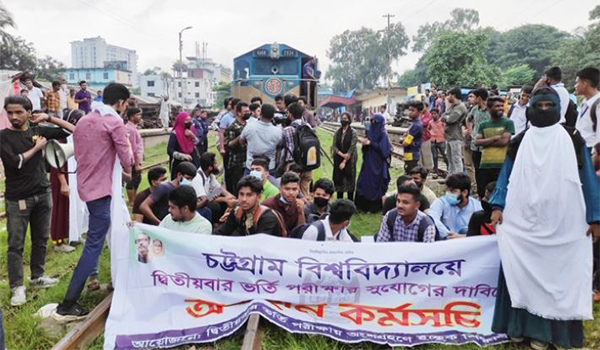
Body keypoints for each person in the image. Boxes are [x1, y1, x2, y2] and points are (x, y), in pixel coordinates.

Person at [489, 87, 600, 350]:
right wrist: (497, 205)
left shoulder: (573, 139)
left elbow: (588, 180)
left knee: (556, 274)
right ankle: (518, 328)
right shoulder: (519, 140)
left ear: (558, 108)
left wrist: (595, 217)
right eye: (538, 106)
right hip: (523, 220)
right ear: (530, 108)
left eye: (549, 106)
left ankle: (548, 333)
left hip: (563, 221)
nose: (543, 110)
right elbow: (506, 175)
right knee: (520, 269)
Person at [55, 83, 133, 317]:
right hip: (103, 193)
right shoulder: (114, 122)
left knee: (103, 240)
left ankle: (117, 279)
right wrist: (127, 144)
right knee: (94, 247)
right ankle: (68, 302)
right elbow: (127, 160)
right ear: (120, 103)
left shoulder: (86, 120)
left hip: (87, 189)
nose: (125, 108)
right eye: (126, 104)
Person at [1, 97, 76, 306]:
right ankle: (17, 287)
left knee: (41, 238)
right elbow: (15, 162)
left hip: (43, 193)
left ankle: (37, 276)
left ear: (29, 112)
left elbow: (73, 131)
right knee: (16, 245)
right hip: (18, 198)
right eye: (10, 113)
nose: (14, 117)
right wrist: (37, 148)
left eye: (18, 112)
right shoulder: (3, 137)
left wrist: (50, 118)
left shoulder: (38, 130)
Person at [215, 176, 284, 236]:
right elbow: (222, 232)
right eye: (241, 194)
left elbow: (262, 245)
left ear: (258, 196)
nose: (244, 199)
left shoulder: (267, 218)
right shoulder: (237, 211)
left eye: (249, 195)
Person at [474, 96, 515, 197]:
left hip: (501, 164)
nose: (501, 108)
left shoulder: (508, 123)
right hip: (485, 164)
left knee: (500, 193)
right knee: (484, 194)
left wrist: (485, 141)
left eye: (502, 106)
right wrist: (493, 138)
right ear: (489, 108)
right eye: (497, 106)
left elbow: (504, 141)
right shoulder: (483, 125)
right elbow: (476, 142)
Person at [429, 173, 482, 240]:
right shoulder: (441, 202)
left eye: (453, 191)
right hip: (445, 242)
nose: (448, 193)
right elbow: (432, 219)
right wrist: (448, 235)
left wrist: (463, 237)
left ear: (465, 192)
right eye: (447, 190)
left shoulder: (477, 207)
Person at [355, 114, 391, 213]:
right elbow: (365, 149)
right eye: (372, 122)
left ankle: (374, 207)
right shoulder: (370, 132)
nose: (373, 124)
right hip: (368, 163)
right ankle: (362, 206)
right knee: (364, 182)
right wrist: (364, 145)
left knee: (375, 184)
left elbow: (384, 152)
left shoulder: (383, 135)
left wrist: (371, 144)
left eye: (375, 122)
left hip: (378, 165)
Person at [191, 152, 236, 225]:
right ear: (210, 168)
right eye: (215, 164)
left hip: (207, 198)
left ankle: (223, 223)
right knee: (215, 206)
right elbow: (205, 200)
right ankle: (214, 225)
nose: (217, 166)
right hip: (198, 204)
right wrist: (225, 199)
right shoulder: (197, 178)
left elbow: (219, 189)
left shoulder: (210, 175)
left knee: (225, 200)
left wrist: (230, 197)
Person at [280, 102, 313, 197]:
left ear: (290, 114)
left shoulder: (288, 129)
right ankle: (305, 210)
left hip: (292, 165)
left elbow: (286, 147)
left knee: (292, 192)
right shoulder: (308, 126)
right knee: (305, 192)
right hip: (308, 164)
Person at [240, 103, 283, 173]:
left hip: (251, 167)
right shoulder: (278, 132)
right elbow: (279, 148)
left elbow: (241, 141)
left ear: (261, 114)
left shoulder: (249, 127)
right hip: (269, 168)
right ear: (273, 116)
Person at [224, 102, 249, 195]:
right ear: (238, 113)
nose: (248, 113)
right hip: (236, 163)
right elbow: (230, 144)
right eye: (245, 111)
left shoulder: (248, 125)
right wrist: (240, 137)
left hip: (246, 161)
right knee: (237, 188)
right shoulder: (232, 127)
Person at [332, 112, 357, 201]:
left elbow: (352, 148)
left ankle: (350, 202)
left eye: (345, 118)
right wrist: (342, 155)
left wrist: (344, 161)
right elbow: (334, 146)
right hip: (338, 159)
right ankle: (339, 202)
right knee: (339, 181)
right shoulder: (337, 132)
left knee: (349, 181)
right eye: (342, 118)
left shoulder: (353, 133)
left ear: (349, 120)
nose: (343, 120)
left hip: (350, 161)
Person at [167, 112, 200, 179]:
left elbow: (197, 143)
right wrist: (182, 156)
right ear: (181, 121)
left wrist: (192, 135)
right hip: (179, 163)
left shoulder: (192, 130)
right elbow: (170, 150)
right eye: (186, 120)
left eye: (190, 120)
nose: (189, 122)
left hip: (192, 160)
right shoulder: (175, 133)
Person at [443, 87, 468, 175]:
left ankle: (458, 178)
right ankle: (450, 177)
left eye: (449, 95)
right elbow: (443, 117)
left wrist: (447, 117)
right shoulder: (452, 107)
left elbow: (450, 119)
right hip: (449, 136)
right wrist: (447, 117)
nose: (447, 97)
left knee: (456, 159)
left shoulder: (460, 107)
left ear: (453, 95)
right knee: (450, 160)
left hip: (456, 136)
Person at [574, 67, 600, 150]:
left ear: (584, 84)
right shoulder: (585, 102)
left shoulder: (598, 105)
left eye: (577, 83)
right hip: (582, 149)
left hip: (592, 152)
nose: (575, 86)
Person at [125, 107, 144, 207]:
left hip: (135, 160)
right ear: (132, 117)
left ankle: (133, 199)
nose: (140, 117)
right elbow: (133, 148)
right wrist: (137, 164)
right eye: (138, 115)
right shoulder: (131, 130)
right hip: (132, 160)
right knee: (132, 180)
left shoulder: (133, 128)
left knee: (137, 179)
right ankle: (131, 201)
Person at [402, 101, 424, 173]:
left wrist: (403, 139)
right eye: (409, 110)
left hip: (412, 155)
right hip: (410, 155)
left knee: (410, 174)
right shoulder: (413, 124)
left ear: (419, 112)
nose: (410, 112)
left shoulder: (415, 126)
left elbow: (405, 143)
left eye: (413, 110)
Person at [429, 108, 448, 176]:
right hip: (433, 140)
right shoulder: (430, 122)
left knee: (444, 155)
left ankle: (448, 168)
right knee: (434, 156)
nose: (433, 115)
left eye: (435, 114)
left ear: (438, 114)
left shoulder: (441, 122)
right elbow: (428, 129)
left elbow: (446, 129)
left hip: (441, 140)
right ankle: (435, 169)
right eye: (432, 114)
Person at [418, 101, 434, 171]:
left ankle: (428, 169)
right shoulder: (420, 115)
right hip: (419, 137)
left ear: (427, 107)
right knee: (420, 155)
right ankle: (421, 168)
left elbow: (423, 123)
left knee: (426, 154)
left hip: (426, 137)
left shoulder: (429, 115)